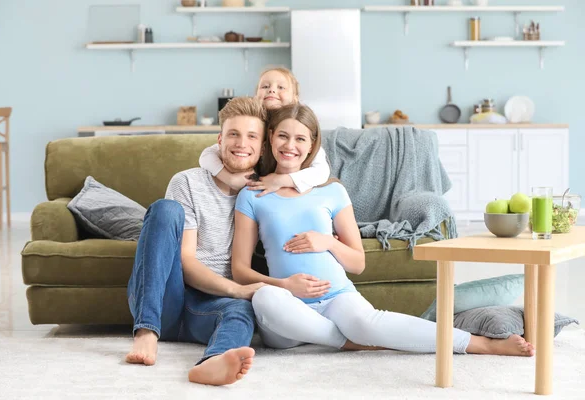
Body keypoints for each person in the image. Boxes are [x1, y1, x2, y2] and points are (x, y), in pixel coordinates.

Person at [231, 103, 536, 357]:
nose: (290, 146)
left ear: (312, 144)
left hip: (337, 297)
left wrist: (328, 242)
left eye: (300, 139)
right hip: (288, 310)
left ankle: (482, 344)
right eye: (283, 136)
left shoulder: (332, 191)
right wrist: (285, 286)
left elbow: (358, 263)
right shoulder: (253, 194)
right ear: (270, 137)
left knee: (368, 320)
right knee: (264, 300)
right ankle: (350, 341)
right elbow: (240, 270)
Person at [125, 97, 268, 386]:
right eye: (233, 134)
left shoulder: (264, 192)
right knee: (166, 210)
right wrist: (238, 289)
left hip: (209, 310)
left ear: (263, 147)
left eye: (252, 136)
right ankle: (146, 332)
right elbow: (186, 262)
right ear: (219, 140)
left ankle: (213, 362)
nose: (242, 143)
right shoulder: (187, 182)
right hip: (169, 295)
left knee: (241, 311)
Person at [199, 67, 330, 197]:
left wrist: (280, 181)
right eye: (265, 86)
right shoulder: (253, 126)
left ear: (295, 99)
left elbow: (321, 171)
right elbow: (207, 155)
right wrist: (229, 179)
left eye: (281, 87)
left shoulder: (299, 129)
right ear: (256, 96)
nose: (272, 90)